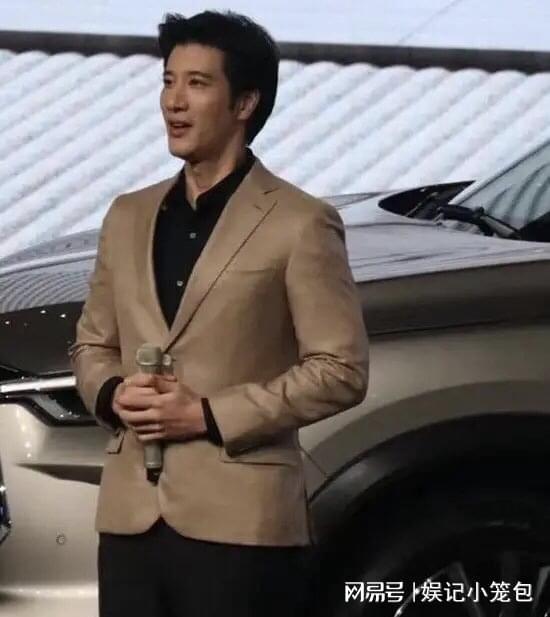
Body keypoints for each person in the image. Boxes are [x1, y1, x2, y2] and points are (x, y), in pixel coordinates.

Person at [69, 10, 369, 617]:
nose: (174, 101)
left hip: (243, 525)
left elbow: (341, 370)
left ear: (245, 103)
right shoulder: (127, 215)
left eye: (197, 83)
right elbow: (91, 345)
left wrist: (206, 414)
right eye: (168, 81)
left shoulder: (301, 222)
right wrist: (113, 395)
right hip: (129, 519)